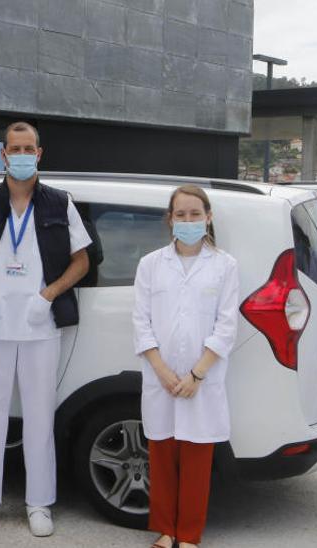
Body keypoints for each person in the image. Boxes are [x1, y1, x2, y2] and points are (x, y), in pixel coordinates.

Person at [0, 121, 92, 537]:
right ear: (3, 155)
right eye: (13, 148)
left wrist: (48, 295)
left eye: (27, 148)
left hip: (39, 324)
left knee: (38, 418)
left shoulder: (57, 203)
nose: (20, 155)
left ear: (39, 153)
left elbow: (82, 261)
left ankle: (39, 503)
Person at [132, 185, 239, 548]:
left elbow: (226, 327)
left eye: (196, 214)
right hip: (160, 377)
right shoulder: (150, 264)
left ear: (208, 217)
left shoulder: (225, 265)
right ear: (170, 220)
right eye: (181, 215)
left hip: (201, 379)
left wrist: (197, 374)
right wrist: (161, 369)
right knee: (161, 454)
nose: (189, 221)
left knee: (196, 459)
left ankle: (189, 534)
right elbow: (141, 321)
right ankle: (165, 529)